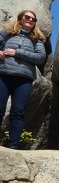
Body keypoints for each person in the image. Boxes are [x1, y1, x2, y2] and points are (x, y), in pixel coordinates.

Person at [0, 10, 46, 149]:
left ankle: (13, 146)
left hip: (24, 79)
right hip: (4, 74)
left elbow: (40, 57)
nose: (30, 20)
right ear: (20, 19)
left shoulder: (36, 39)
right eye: (27, 17)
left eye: (33, 19)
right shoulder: (6, 33)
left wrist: (16, 52)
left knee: (18, 112)